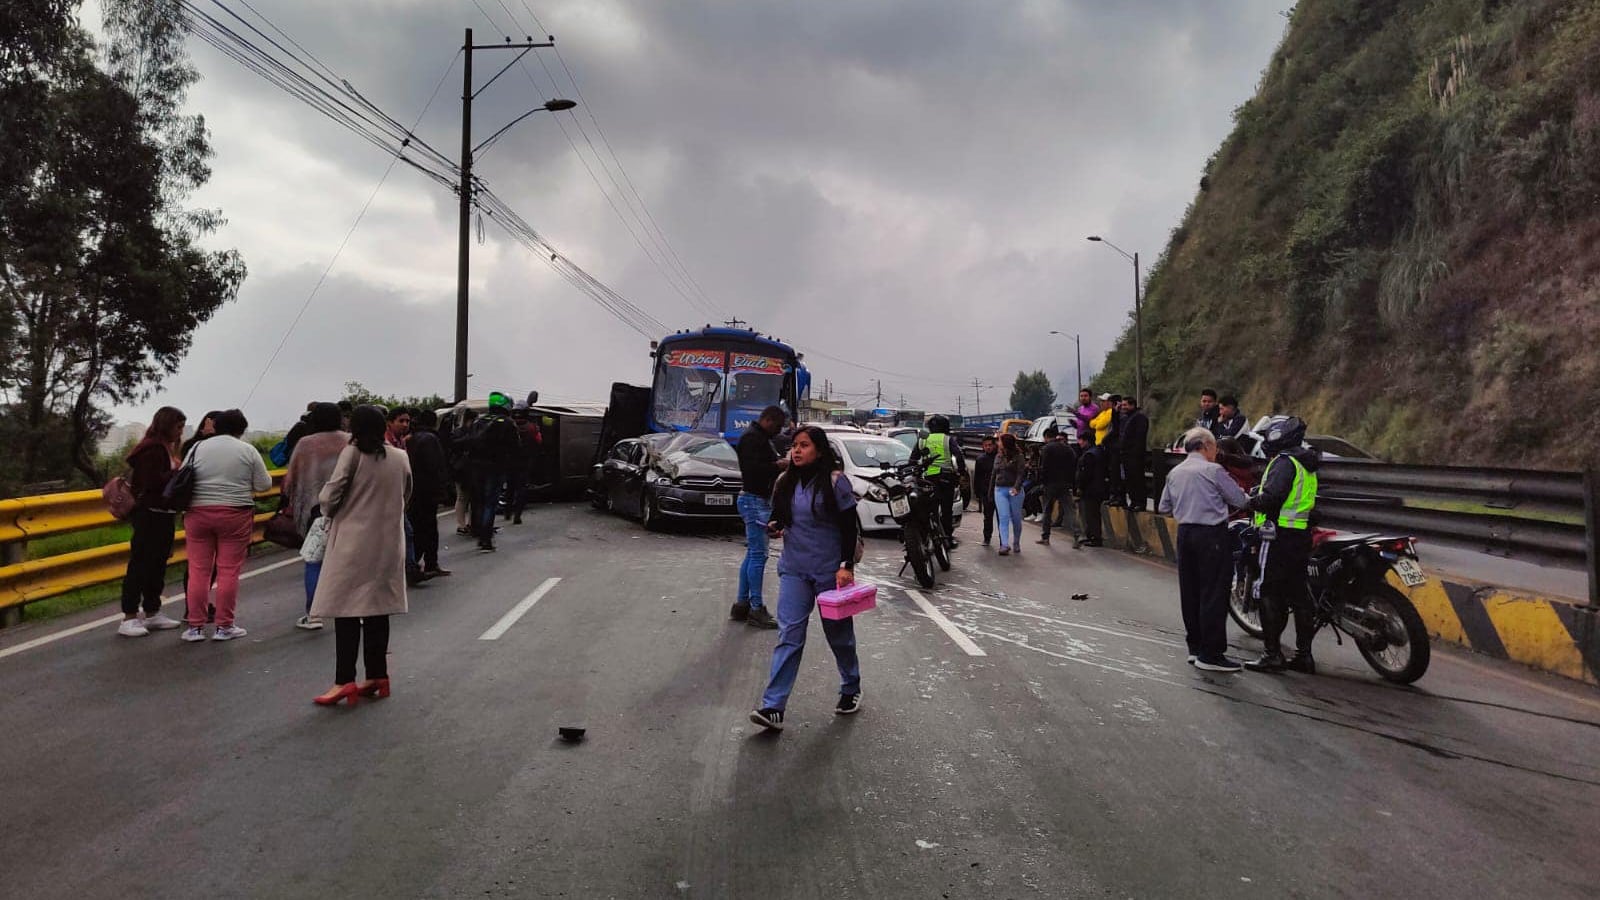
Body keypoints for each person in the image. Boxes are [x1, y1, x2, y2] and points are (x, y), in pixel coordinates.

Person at [748, 426, 862, 731]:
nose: (796, 451)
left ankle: (851, 686)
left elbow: (850, 527)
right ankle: (773, 706)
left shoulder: (836, 483)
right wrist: (774, 525)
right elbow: (782, 517)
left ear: (820, 450)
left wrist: (846, 565)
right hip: (794, 570)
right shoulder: (785, 482)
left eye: (804, 445)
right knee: (789, 636)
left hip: (830, 573)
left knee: (839, 636)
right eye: (794, 446)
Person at [310, 405, 412, 707]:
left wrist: (331, 509)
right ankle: (378, 675)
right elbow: (406, 495)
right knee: (378, 609)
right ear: (384, 426)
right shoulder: (400, 456)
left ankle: (344, 681)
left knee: (347, 611)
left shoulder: (352, 453)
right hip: (389, 542)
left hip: (353, 544)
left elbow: (330, 497)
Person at [1159, 428, 1251, 672]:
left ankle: (1195, 648)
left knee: (1190, 592)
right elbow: (1240, 500)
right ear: (1205, 447)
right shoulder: (1213, 470)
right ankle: (1211, 654)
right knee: (1213, 593)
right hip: (1211, 535)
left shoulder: (1175, 472)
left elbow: (1164, 507)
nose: (1216, 453)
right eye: (1215, 448)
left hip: (1185, 534)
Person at [181, 409, 271, 642]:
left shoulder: (197, 448)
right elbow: (263, 485)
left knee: (198, 570)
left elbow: (182, 477)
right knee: (228, 570)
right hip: (235, 514)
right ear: (241, 429)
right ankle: (224, 626)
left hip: (197, 513)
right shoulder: (247, 450)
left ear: (216, 426)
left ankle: (195, 627)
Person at [1243, 416, 1322, 674]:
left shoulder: (1284, 462)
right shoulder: (1306, 463)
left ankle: (1272, 654)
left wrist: (1251, 500)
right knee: (1299, 596)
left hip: (1276, 536)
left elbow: (1273, 497)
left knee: (1268, 592)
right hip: (1300, 536)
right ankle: (1304, 655)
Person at [117, 407, 187, 637]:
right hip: (150, 513)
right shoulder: (152, 450)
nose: (180, 432)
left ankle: (152, 610)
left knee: (157, 564)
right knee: (140, 563)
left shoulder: (162, 448)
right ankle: (128, 615)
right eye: (178, 427)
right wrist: (178, 472)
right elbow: (152, 482)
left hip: (162, 514)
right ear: (167, 425)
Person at [281, 402, 349, 630]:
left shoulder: (305, 444)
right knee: (348, 561)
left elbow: (289, 481)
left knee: (314, 561)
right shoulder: (350, 440)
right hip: (349, 509)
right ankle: (352, 611)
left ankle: (314, 615)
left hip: (315, 511)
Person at [734, 405, 788, 629]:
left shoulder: (757, 437)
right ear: (768, 420)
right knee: (759, 555)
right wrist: (778, 465)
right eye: (777, 426)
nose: (778, 431)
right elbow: (754, 470)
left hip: (755, 499)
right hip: (755, 500)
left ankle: (742, 603)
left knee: (752, 554)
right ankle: (756, 608)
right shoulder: (753, 439)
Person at [465, 392, 522, 552]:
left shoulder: (479, 420)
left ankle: (478, 532)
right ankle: (486, 539)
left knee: (479, 502)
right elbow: (516, 447)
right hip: (496, 468)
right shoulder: (507, 423)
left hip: (476, 467)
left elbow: (469, 442)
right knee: (490, 503)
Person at [407, 409, 451, 578]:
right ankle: (428, 563)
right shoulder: (431, 439)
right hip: (428, 491)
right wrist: (442, 490)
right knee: (429, 528)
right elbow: (436, 467)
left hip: (414, 490)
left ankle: (416, 561)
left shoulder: (411, 438)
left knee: (417, 527)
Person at [917, 415, 967, 549]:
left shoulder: (923, 440)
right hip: (946, 479)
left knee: (928, 510)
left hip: (927, 480)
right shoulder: (948, 439)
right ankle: (948, 539)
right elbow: (959, 456)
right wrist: (961, 473)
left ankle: (926, 538)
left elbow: (913, 459)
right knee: (946, 511)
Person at [1035, 428, 1076, 545]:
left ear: (1046, 437)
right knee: (1069, 510)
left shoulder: (1046, 448)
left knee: (1047, 510)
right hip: (1065, 484)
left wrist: (1042, 482)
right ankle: (1077, 536)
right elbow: (1074, 464)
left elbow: (1044, 467)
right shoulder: (1068, 448)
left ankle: (1045, 537)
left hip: (1050, 483)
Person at [507, 405, 543, 526]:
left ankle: (508, 512)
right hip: (525, 462)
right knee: (521, 489)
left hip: (510, 461)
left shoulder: (509, 425)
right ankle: (517, 515)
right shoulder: (532, 427)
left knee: (510, 487)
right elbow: (539, 441)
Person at [991, 433, 1026, 556]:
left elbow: (1021, 473)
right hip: (1000, 489)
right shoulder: (998, 456)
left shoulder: (1019, 456)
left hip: (1014, 490)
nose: (997, 443)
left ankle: (1016, 541)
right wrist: (990, 492)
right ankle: (1004, 544)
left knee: (1016, 519)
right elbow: (994, 474)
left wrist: (1016, 487)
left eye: (999, 441)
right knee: (1003, 517)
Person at [1074, 431, 1109, 548]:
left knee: (1091, 514)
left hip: (1091, 489)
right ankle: (1092, 536)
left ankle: (1095, 538)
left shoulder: (1089, 455)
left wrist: (1080, 486)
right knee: (1093, 513)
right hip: (1099, 487)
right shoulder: (1099, 452)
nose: (1079, 443)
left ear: (1086, 441)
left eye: (1081, 440)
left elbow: (1086, 474)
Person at [449, 404, 477, 536]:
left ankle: (466, 524)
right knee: (464, 498)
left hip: (461, 469)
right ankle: (463, 524)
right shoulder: (466, 434)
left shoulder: (457, 432)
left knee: (465, 498)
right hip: (463, 469)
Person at [1118, 396, 1150, 511]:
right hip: (1127, 455)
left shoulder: (1139, 417)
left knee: (1137, 479)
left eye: (1125, 405)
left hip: (1135, 456)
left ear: (1132, 405)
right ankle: (1133, 501)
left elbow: (1139, 438)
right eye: (1122, 405)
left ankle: (1140, 502)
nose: (1123, 407)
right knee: (1130, 480)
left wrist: (1135, 453)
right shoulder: (1127, 418)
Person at [972, 435, 997, 547]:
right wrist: (978, 492)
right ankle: (987, 538)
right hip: (986, 492)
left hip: (999, 490)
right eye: (986, 445)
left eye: (990, 445)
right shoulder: (980, 459)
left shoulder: (999, 458)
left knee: (1002, 517)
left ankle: (1003, 540)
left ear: (994, 445)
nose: (988, 447)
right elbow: (977, 477)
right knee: (988, 516)